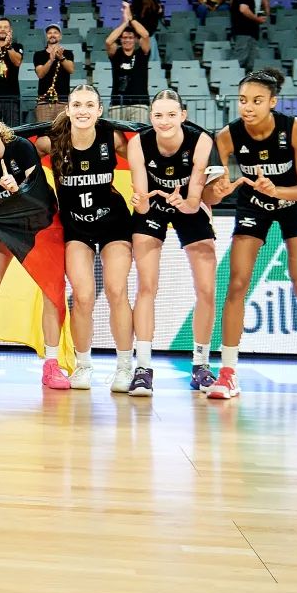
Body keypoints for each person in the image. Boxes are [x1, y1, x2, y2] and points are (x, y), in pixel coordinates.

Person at [203, 69, 297, 406]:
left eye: (257, 101)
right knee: (236, 284)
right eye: (243, 100)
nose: (248, 107)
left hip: (293, 203)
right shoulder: (228, 136)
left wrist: (276, 189)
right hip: (254, 204)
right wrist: (216, 190)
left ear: (273, 103)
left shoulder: (296, 130)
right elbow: (209, 197)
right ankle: (228, 374)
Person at [0, 108, 69, 390]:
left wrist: (16, 189)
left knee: (51, 291)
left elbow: (36, 194)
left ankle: (52, 364)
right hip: (4, 227)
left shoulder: (21, 148)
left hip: (41, 224)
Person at [36, 85, 133, 392]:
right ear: (68, 109)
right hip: (75, 226)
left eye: (89, 105)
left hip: (114, 223)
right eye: (77, 104)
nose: (83, 110)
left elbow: (143, 158)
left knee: (117, 290)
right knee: (83, 296)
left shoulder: (112, 138)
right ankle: (84, 365)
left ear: (99, 110)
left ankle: (124, 367)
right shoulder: (51, 142)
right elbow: (19, 151)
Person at [126, 90, 217, 397]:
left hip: (187, 206)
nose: (164, 121)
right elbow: (140, 204)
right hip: (153, 206)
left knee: (207, 288)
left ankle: (201, 364)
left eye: (170, 114)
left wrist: (185, 202)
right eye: (158, 115)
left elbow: (194, 202)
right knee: (147, 285)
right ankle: (143, 367)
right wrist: (139, 202)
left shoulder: (202, 141)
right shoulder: (138, 143)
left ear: (183, 115)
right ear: (150, 117)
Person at [105, 2, 151, 120]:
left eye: (130, 37)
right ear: (120, 39)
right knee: (117, 138)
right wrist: (124, 23)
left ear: (135, 39)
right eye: (124, 37)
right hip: (118, 104)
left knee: (137, 138)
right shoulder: (116, 54)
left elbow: (145, 35)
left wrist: (131, 19)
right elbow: (109, 42)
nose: (127, 40)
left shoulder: (141, 54)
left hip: (139, 104)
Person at [32, 23, 74, 122]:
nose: (52, 35)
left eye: (55, 32)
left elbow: (71, 69)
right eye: (49, 33)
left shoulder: (68, 53)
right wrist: (51, 60)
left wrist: (61, 58)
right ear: (46, 36)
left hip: (63, 101)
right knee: (44, 132)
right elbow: (40, 74)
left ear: (60, 36)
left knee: (63, 132)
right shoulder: (39, 54)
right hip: (44, 102)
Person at [231, 0, 267, 72]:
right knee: (240, 59)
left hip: (250, 33)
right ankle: (228, 79)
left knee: (250, 63)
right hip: (244, 32)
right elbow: (243, 9)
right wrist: (257, 19)